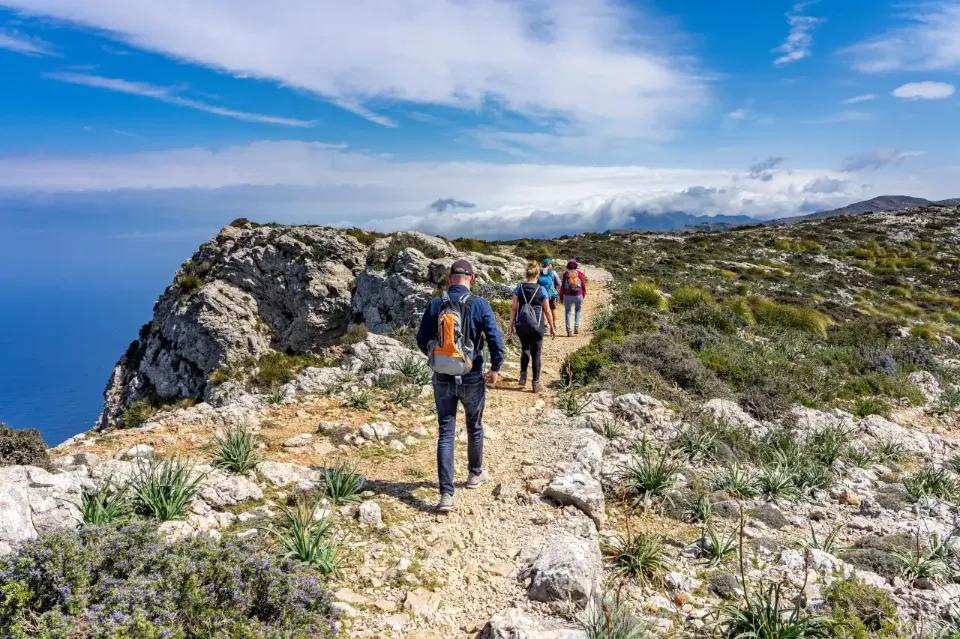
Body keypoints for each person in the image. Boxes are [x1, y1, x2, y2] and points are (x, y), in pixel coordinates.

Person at [416, 259, 504, 513]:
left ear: (450, 279)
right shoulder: (479, 304)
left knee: (446, 432)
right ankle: (475, 474)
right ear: (472, 279)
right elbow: (495, 339)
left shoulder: (436, 304)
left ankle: (446, 495)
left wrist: (437, 359)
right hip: (472, 375)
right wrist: (495, 368)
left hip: (442, 376)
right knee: (474, 425)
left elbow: (421, 339)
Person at [507, 261, 556, 392]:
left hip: (521, 325)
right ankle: (535, 384)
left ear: (526, 273)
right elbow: (547, 310)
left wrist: (510, 325)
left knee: (525, 349)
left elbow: (513, 308)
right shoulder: (542, 290)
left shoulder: (519, 288)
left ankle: (522, 378)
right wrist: (551, 326)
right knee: (536, 353)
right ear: (538, 274)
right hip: (537, 326)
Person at [559, 259, 588, 337]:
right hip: (578, 295)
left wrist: (561, 297)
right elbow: (583, 285)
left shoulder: (565, 274)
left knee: (568, 312)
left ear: (568, 265)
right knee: (578, 310)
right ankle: (576, 327)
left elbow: (562, 287)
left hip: (567, 296)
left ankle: (569, 331)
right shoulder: (579, 273)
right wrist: (583, 295)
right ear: (576, 266)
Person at [537, 258, 561, 334]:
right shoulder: (553, 273)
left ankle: (545, 326)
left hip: (542, 294)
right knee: (553, 310)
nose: (552, 266)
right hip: (551, 294)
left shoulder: (539, 272)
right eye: (551, 264)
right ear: (549, 265)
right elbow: (559, 283)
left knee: (543, 310)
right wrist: (556, 291)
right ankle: (553, 325)